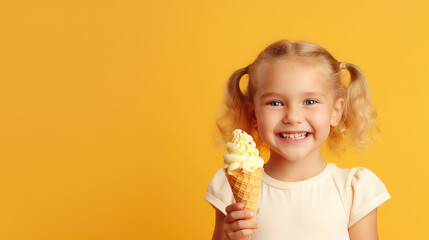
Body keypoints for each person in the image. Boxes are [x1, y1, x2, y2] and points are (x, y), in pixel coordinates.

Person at [205, 39, 391, 240]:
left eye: (310, 101)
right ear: (253, 114)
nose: (293, 117)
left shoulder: (353, 190)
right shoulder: (230, 190)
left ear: (335, 112)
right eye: (275, 103)